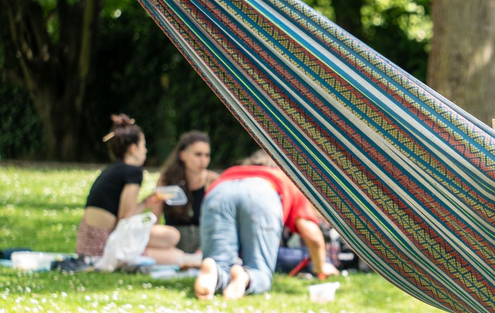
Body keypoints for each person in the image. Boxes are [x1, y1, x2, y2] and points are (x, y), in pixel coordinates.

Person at [194, 151, 338, 300]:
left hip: (219, 192)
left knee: (220, 261)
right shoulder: (285, 178)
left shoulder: (232, 171)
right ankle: (246, 277)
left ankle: (215, 272)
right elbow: (312, 234)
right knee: (260, 270)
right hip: (262, 194)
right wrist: (321, 266)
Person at [76, 114, 199, 266]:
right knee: (172, 237)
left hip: (86, 244)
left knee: (171, 245)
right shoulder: (133, 172)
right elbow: (124, 220)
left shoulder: (112, 170)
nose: (146, 151)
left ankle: (186, 259)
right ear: (134, 149)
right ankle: (189, 260)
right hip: (106, 246)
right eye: (144, 146)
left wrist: (147, 202)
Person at [155, 131, 219, 254]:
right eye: (198, 154)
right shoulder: (166, 180)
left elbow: (220, 222)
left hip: (204, 243)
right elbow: (155, 220)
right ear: (183, 155)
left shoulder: (213, 181)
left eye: (207, 155)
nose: (203, 160)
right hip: (173, 243)